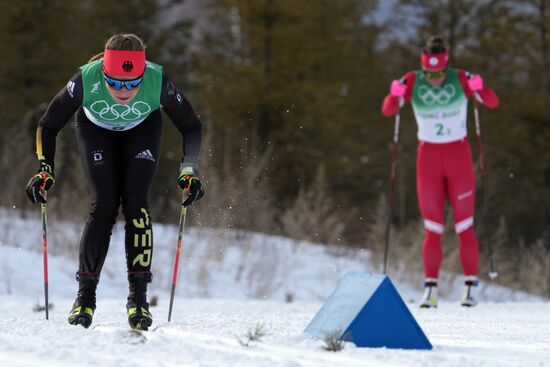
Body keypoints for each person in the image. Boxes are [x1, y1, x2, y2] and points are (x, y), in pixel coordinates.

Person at [25, 33, 204, 329]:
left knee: (136, 202)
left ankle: (138, 301)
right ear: (103, 73)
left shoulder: (157, 80)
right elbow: (48, 125)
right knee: (105, 203)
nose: (123, 91)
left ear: (142, 75)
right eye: (115, 82)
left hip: (142, 128)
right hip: (95, 129)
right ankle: (85, 298)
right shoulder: (85, 80)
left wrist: (189, 169)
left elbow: (191, 126)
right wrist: (45, 168)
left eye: (132, 83)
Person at [381, 36, 499, 308]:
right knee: (432, 229)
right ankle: (430, 289)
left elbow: (492, 102)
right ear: (423, 68)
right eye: (430, 73)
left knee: (465, 227)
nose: (435, 79)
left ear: (447, 66)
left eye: (440, 73)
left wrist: (480, 88)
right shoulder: (412, 80)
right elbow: (388, 110)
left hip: (458, 158)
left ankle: (470, 287)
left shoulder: (460, 78)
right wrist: (395, 94)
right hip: (429, 160)